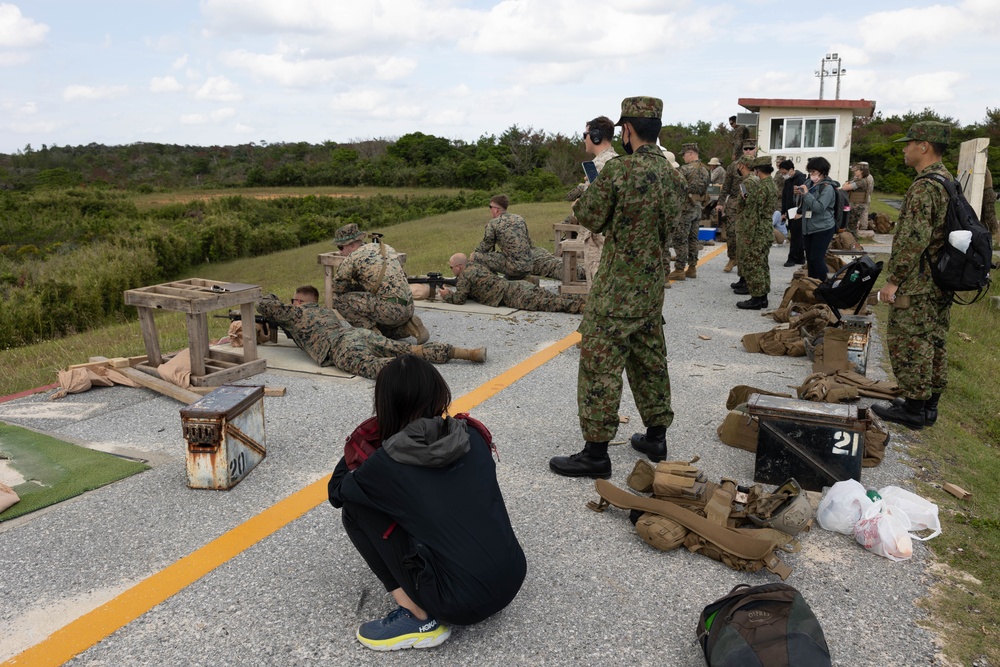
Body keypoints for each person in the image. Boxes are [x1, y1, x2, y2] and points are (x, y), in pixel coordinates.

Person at [328, 355, 526, 650]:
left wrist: (364, 436)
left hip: (459, 603)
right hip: (513, 576)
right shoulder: (470, 432)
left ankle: (418, 617)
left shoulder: (386, 464)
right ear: (440, 393)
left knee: (356, 510)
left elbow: (336, 492)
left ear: (384, 406)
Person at [548, 96, 684, 479]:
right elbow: (673, 221)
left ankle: (595, 453)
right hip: (651, 285)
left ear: (626, 130)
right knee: (650, 360)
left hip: (616, 287)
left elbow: (589, 214)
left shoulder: (619, 171)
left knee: (599, 368)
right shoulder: (672, 174)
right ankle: (656, 436)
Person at [871, 121, 956, 429]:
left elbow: (913, 239)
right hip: (940, 279)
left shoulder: (925, 186)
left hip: (920, 282)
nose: (904, 149)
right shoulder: (948, 180)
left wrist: (894, 280)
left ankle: (914, 410)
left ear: (924, 146)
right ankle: (927, 406)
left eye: (909, 143)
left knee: (910, 342)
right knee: (933, 341)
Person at [256, 286, 485, 379]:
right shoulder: (324, 311)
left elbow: (264, 304)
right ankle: (466, 353)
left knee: (376, 368)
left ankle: (414, 375)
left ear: (298, 301)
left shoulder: (296, 313)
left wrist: (273, 298)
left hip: (339, 347)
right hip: (358, 334)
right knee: (408, 348)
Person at [331, 223, 429, 344]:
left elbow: (338, 288)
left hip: (390, 311)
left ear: (351, 245)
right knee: (382, 318)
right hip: (409, 307)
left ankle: (371, 335)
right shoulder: (386, 248)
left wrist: (353, 287)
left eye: (340, 247)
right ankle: (407, 327)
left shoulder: (353, 257)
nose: (340, 252)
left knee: (338, 299)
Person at [439, 253, 585, 313]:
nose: (451, 270)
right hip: (517, 285)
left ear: (459, 267)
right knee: (550, 296)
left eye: (451, 267)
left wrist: (447, 295)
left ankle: (581, 307)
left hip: (510, 296)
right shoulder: (477, 266)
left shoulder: (465, 276)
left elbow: (459, 299)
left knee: (548, 303)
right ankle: (583, 300)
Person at [735, 156, 780, 309]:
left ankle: (756, 298)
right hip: (765, 227)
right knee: (762, 264)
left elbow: (754, 212)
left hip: (757, 230)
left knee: (754, 265)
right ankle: (763, 297)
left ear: (758, 170)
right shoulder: (772, 185)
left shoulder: (762, 187)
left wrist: (748, 235)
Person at [666, 143, 710, 282]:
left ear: (690, 153)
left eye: (684, 154)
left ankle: (679, 269)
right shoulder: (706, 170)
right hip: (698, 208)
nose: (683, 157)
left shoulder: (684, 170)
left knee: (680, 239)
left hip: (685, 208)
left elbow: (676, 188)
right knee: (693, 238)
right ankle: (692, 267)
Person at [793, 157, 839, 281]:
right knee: (810, 261)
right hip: (808, 228)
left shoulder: (827, 188)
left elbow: (819, 208)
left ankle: (826, 283)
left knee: (816, 259)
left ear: (822, 172)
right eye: (810, 171)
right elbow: (800, 205)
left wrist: (806, 194)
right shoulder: (808, 183)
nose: (811, 174)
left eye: (814, 171)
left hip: (823, 228)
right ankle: (813, 285)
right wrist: (797, 194)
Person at [716, 139, 758, 272]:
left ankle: (747, 261)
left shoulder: (759, 165)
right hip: (734, 202)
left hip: (752, 204)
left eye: (751, 148)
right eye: (745, 149)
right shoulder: (734, 165)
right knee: (731, 232)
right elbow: (726, 185)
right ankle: (732, 258)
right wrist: (720, 203)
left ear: (755, 149)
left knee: (750, 234)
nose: (748, 151)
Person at [471, 195, 535, 279]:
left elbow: (485, 246)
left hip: (515, 268)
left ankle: (494, 282)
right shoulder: (519, 218)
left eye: (490, 207)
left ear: (496, 209)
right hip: (528, 266)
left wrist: (473, 254)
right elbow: (528, 241)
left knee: (476, 256)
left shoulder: (494, 223)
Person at [778, 159, 807, 266]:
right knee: (795, 235)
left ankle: (792, 258)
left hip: (798, 212)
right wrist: (783, 212)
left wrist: (800, 211)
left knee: (796, 236)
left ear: (791, 170)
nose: (783, 175)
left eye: (785, 173)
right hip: (790, 212)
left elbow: (803, 197)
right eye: (782, 173)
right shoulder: (787, 181)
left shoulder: (801, 179)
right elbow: (785, 197)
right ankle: (800, 258)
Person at [840, 163, 872, 236]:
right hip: (855, 205)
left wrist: (846, 184)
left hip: (856, 206)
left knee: (851, 226)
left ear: (861, 171)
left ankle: (852, 241)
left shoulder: (861, 182)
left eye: (856, 170)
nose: (854, 172)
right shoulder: (859, 180)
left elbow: (845, 188)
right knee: (850, 225)